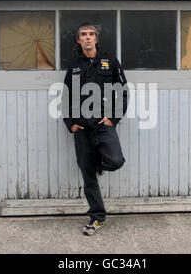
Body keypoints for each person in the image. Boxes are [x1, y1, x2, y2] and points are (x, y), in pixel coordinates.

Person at [62, 22, 129, 236]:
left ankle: (100, 161)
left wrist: (114, 118)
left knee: (116, 160)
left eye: (91, 34)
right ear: (78, 40)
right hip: (82, 127)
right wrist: (70, 123)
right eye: (84, 34)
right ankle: (97, 217)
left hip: (102, 124)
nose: (88, 37)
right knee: (88, 174)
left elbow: (123, 92)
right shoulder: (73, 66)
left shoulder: (110, 62)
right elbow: (66, 96)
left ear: (97, 39)